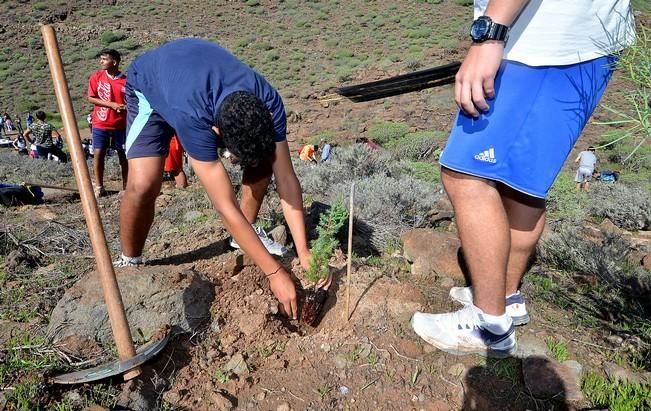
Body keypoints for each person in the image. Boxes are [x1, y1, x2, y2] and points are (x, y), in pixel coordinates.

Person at [410, 0, 635, 357]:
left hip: (543, 43)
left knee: (465, 173)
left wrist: (491, 32)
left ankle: (489, 324)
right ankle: (505, 296)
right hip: (583, 40)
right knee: (523, 186)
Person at [113, 38, 319, 320]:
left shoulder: (269, 102)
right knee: (144, 184)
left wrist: (304, 251)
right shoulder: (194, 120)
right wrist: (274, 271)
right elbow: (225, 206)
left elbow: (286, 178)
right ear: (216, 133)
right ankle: (130, 259)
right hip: (150, 85)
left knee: (263, 164)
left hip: (193, 72)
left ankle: (242, 237)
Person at [87, 48, 128, 198]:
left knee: (123, 155)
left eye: (105, 59)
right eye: (101, 59)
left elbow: (132, 101)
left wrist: (125, 107)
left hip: (121, 125)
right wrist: (111, 105)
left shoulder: (126, 80)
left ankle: (126, 186)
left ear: (114, 62)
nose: (101, 61)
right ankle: (99, 186)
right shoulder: (96, 77)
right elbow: (91, 98)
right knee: (98, 153)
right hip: (100, 123)